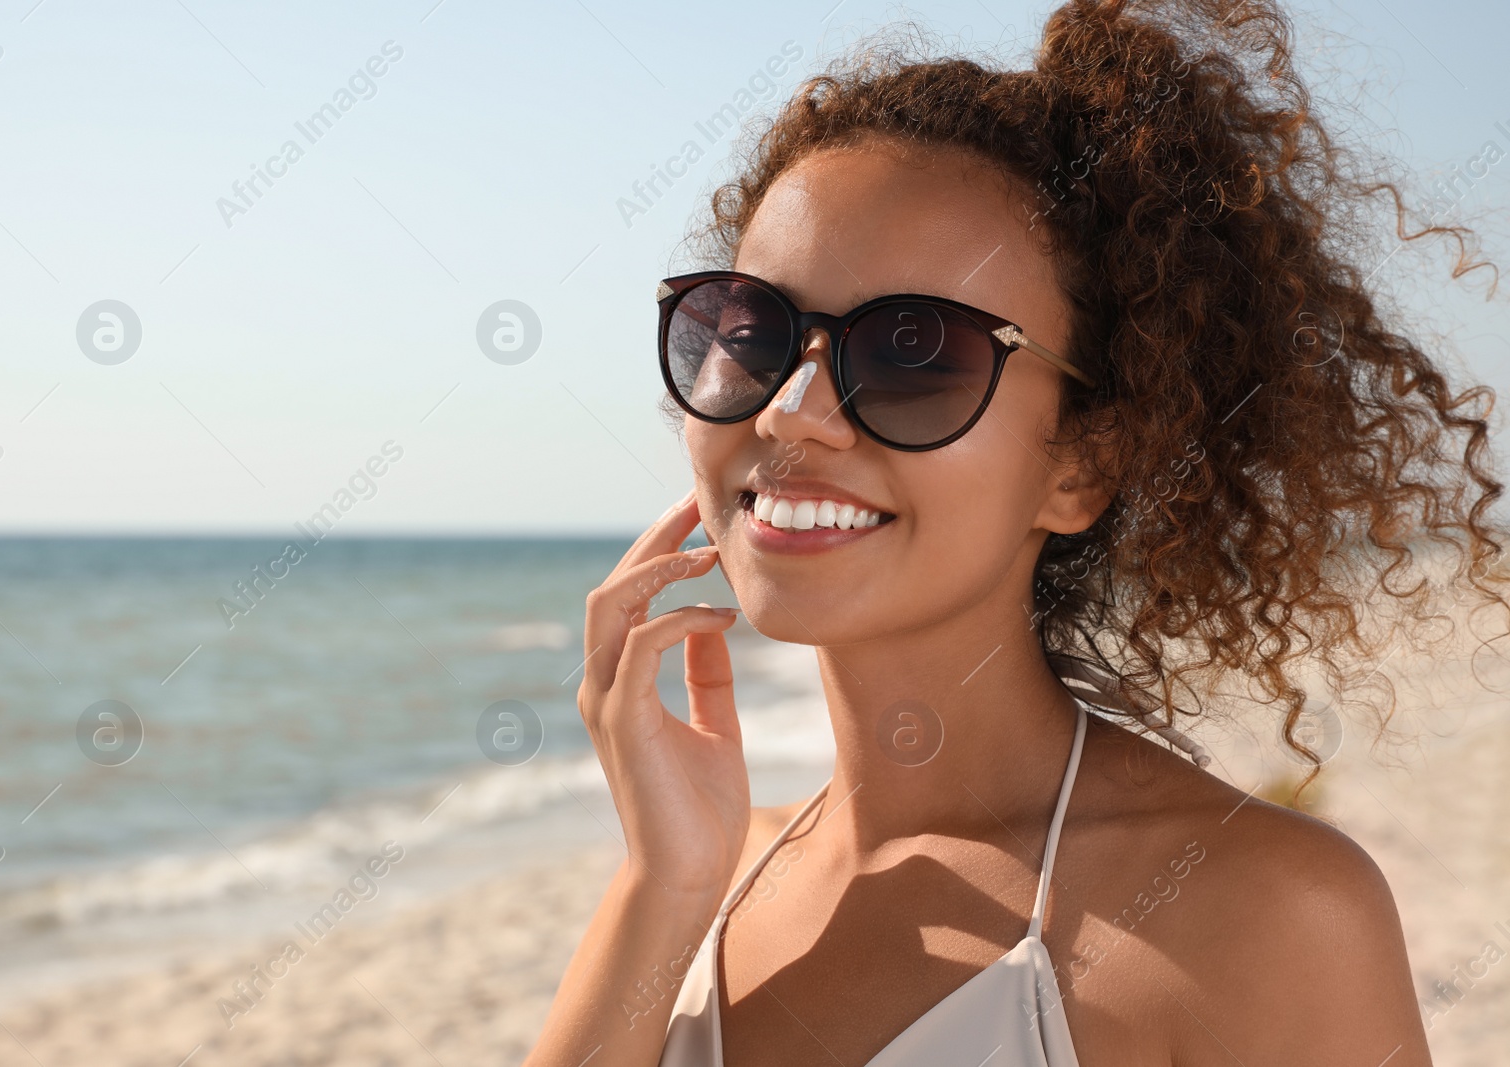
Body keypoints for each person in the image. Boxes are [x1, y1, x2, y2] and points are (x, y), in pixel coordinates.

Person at [526, 0, 1509, 1063]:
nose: (790, 410)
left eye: (913, 353)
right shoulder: (706, 872)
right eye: (752, 330)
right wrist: (661, 885)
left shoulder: (1260, 911)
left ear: (1080, 465)